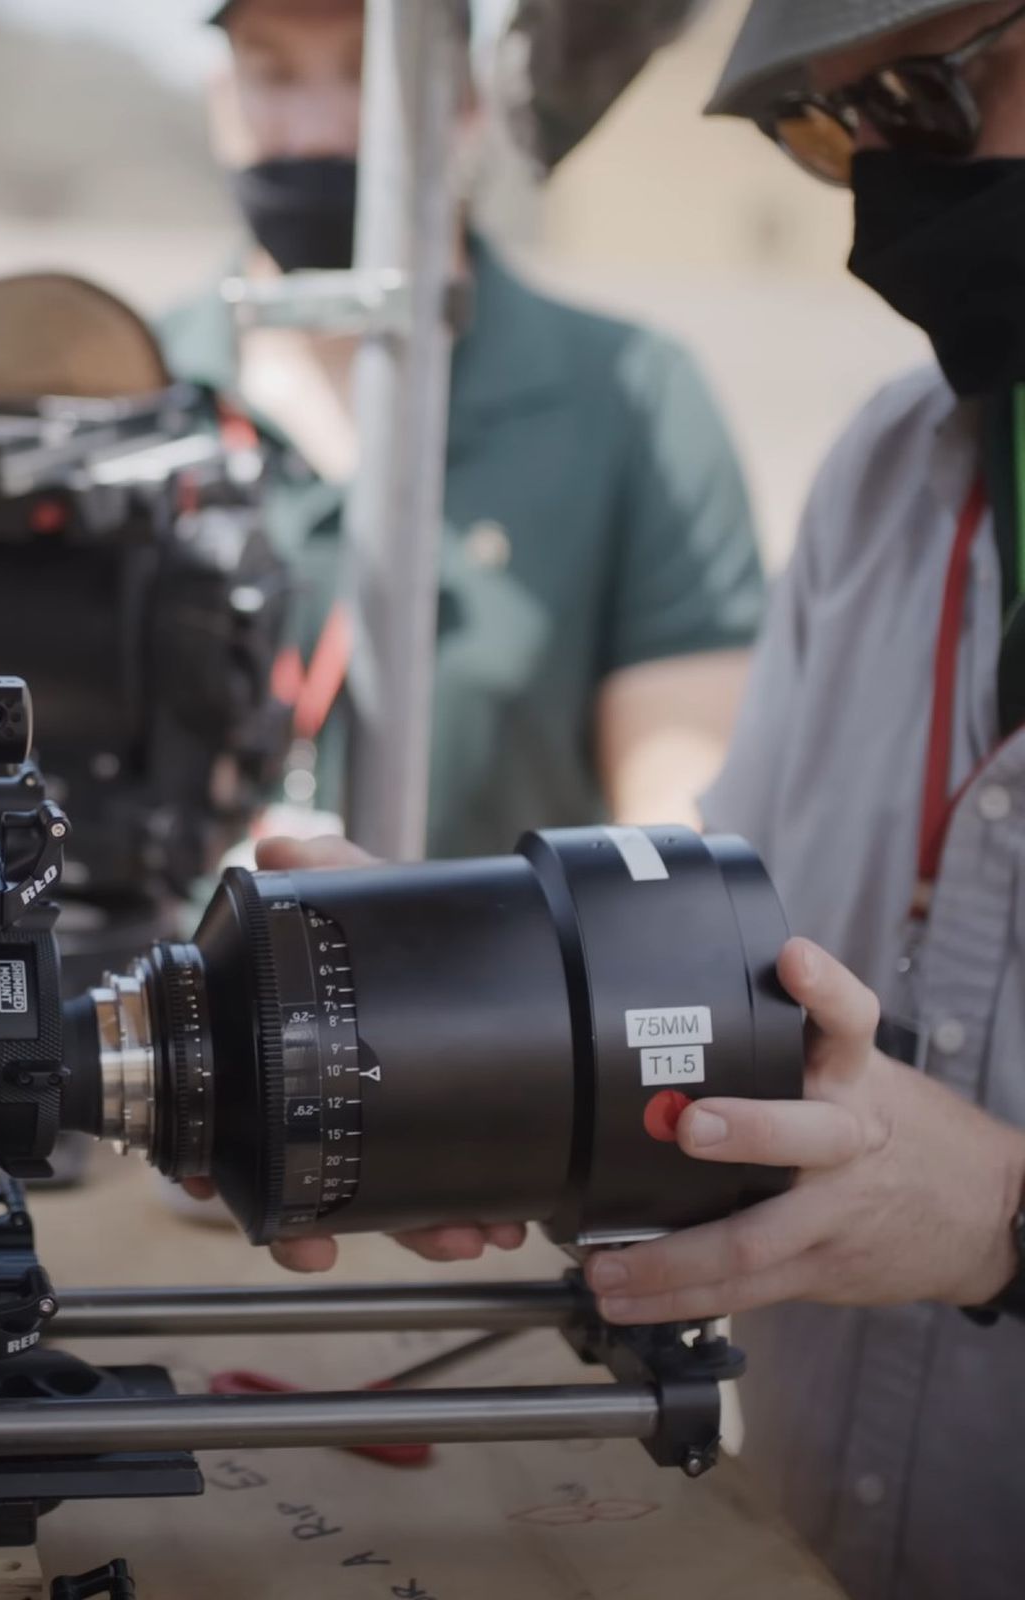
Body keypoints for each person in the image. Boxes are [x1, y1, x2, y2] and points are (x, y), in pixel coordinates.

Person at [238, 6, 1025, 1598]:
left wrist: (1004, 1212)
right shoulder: (899, 468)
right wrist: (468, 1000)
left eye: (926, 95)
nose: (879, 173)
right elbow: (720, 972)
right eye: (829, 127)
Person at [158, 0, 765, 858]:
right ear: (225, 97)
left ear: (467, 99)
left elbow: (679, 824)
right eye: (274, 74)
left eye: (371, 76)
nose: (319, 130)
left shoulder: (628, 398)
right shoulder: (124, 391)